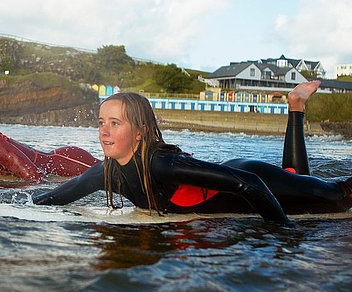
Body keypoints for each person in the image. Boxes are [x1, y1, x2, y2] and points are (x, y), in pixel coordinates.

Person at [33, 80, 352, 225]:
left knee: (337, 196)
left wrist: (284, 234)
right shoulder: (104, 173)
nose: (103, 131)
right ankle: (296, 105)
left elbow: (250, 184)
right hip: (238, 186)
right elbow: (50, 200)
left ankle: (296, 107)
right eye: (102, 122)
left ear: (140, 131)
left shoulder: (164, 164)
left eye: (115, 123)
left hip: (252, 178)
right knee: (299, 178)